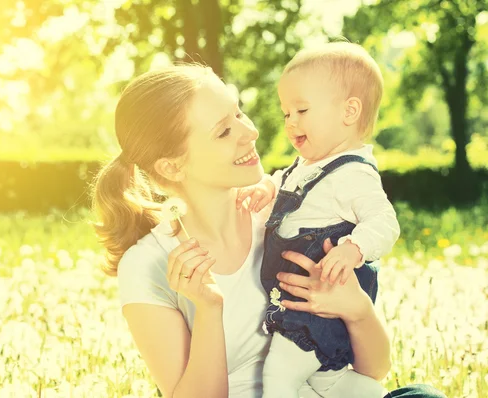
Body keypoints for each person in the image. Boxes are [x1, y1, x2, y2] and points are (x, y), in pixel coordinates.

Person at [92, 63, 445, 398]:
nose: (251, 132)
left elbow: (374, 370)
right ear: (172, 166)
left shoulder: (293, 213)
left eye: (239, 113)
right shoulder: (148, 265)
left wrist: (357, 310)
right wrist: (209, 310)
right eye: (225, 131)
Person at [235, 42, 400, 397]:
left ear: (349, 111)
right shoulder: (306, 167)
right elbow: (285, 185)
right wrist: (267, 186)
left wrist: (354, 249)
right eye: (286, 113)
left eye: (302, 109)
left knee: (279, 375)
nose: (290, 121)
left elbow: (385, 221)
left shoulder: (354, 173)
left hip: (317, 311)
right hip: (298, 303)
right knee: (330, 380)